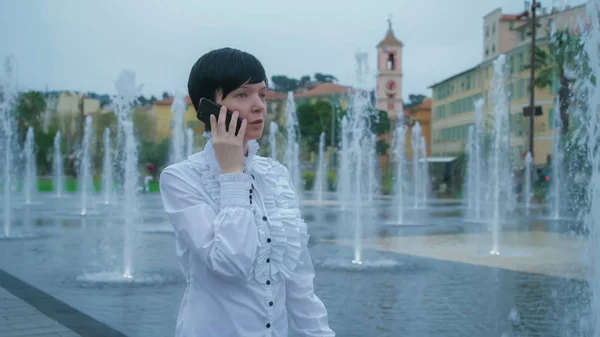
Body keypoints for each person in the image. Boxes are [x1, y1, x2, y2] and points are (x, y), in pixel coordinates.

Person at [159, 47, 335, 337]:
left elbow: (299, 282)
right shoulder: (181, 179)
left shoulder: (276, 175)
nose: (259, 106)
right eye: (242, 95)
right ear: (207, 107)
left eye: (262, 95)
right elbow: (230, 263)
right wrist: (232, 174)